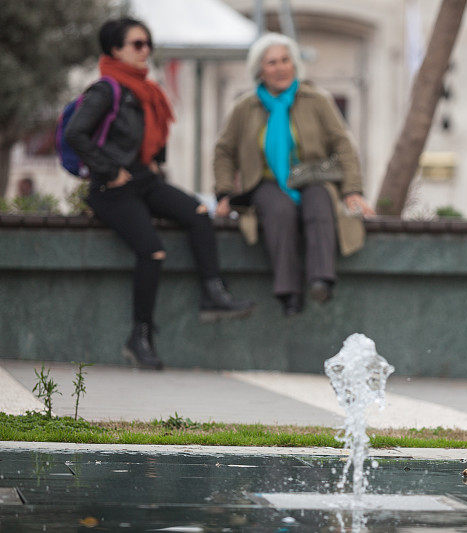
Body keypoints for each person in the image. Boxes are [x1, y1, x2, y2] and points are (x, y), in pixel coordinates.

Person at [64, 17, 255, 370]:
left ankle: (213, 294)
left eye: (148, 43)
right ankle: (140, 336)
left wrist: (153, 163)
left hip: (143, 179)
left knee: (198, 213)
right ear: (115, 50)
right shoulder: (106, 90)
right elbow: (76, 133)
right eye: (137, 44)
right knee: (152, 251)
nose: (145, 50)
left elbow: (152, 136)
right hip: (112, 188)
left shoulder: (146, 90)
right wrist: (109, 169)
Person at [213, 32, 374, 317]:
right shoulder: (244, 107)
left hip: (312, 177)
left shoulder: (316, 99)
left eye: (286, 60)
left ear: (295, 64)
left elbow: (343, 145)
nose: (280, 67)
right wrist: (224, 193)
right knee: (279, 211)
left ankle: (320, 280)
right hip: (265, 182)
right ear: (259, 70)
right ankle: (289, 293)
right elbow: (224, 150)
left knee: (319, 204)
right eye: (272, 62)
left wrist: (352, 190)